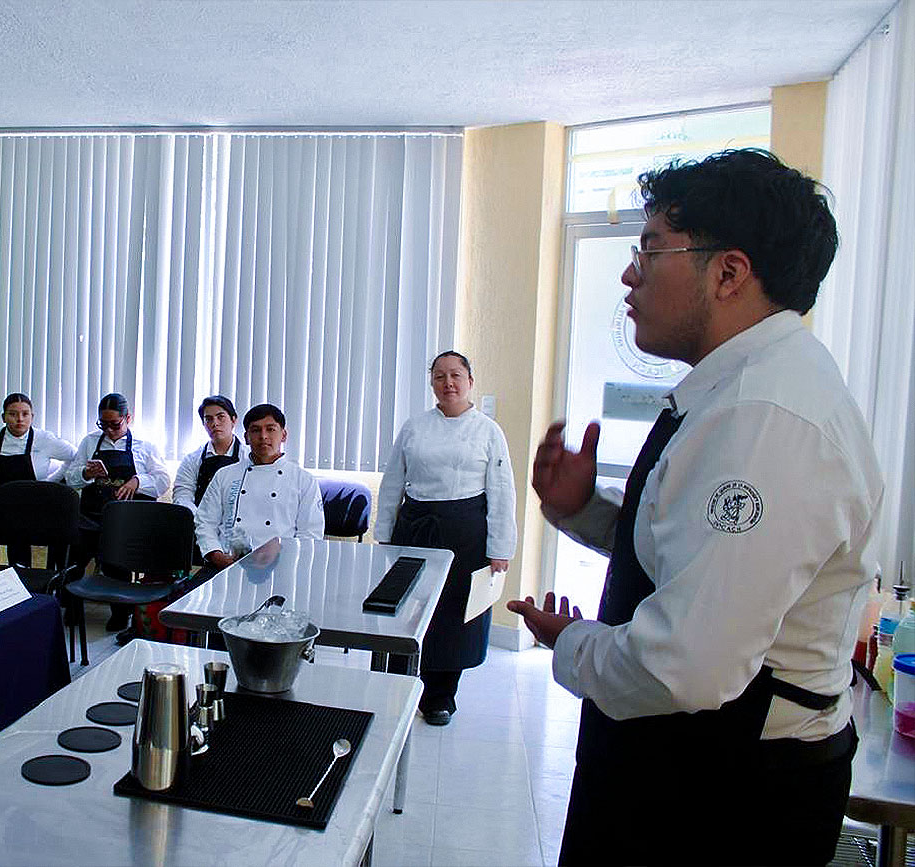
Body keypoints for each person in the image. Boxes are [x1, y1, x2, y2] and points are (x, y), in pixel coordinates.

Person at [507, 149, 882, 865]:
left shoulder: (765, 416)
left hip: (723, 787)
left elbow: (685, 666)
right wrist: (587, 510)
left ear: (730, 272)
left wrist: (572, 646)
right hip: (694, 752)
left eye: (650, 249)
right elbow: (693, 551)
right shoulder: (739, 390)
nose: (629, 273)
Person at [374, 351, 517, 725]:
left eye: (455, 375)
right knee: (409, 610)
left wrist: (500, 549)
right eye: (439, 376)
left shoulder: (487, 431)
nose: (448, 383)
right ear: (432, 383)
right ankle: (404, 687)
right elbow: (392, 483)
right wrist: (384, 534)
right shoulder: (415, 427)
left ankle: (440, 697)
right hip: (415, 527)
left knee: (453, 617)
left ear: (470, 381)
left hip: (466, 534)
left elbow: (502, 493)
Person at [63, 392, 171, 632]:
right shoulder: (90, 442)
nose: (110, 430)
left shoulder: (145, 447)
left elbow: (163, 480)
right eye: (104, 424)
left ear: (128, 418)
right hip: (92, 514)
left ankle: (120, 612)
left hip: (127, 519)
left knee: (117, 559)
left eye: (115, 424)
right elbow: (71, 478)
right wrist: (86, 474)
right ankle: (71, 606)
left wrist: (137, 481)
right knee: (74, 556)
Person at [196, 403, 324, 571]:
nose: (263, 436)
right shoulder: (225, 475)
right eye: (256, 430)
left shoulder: (304, 480)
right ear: (247, 437)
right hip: (226, 565)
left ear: (283, 435)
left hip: (282, 567)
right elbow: (205, 522)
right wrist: (217, 556)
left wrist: (286, 561)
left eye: (270, 429)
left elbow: (310, 534)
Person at [0, 392, 76, 565]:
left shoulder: (45, 440)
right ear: (3, 417)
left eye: (25, 414)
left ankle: (41, 580)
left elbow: (74, 457)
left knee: (35, 534)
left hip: (36, 505)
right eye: (13, 414)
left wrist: (50, 483)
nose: (19, 419)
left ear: (32, 417)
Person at [172, 395, 244, 514]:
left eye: (220, 417)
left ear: (233, 420)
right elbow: (182, 496)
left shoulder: (249, 456)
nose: (215, 423)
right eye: (209, 419)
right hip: (199, 522)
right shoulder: (192, 460)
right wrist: (201, 520)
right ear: (204, 424)